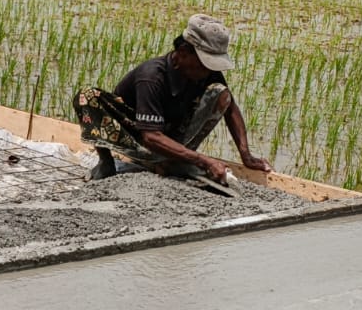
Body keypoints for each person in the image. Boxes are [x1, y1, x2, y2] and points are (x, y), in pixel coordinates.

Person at [75, 14, 272, 183]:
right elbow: (150, 136)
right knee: (87, 96)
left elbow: (230, 108)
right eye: (204, 64)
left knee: (221, 93)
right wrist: (203, 160)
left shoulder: (205, 73)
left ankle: (172, 160)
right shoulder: (152, 77)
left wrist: (246, 154)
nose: (208, 71)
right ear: (183, 53)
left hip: (173, 135)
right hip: (136, 137)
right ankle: (106, 162)